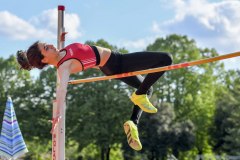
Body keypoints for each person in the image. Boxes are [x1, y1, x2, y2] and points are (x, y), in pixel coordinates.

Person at [16, 41, 172, 151]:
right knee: (166, 59)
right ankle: (138, 97)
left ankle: (132, 123)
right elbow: (62, 91)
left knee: (146, 89)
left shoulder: (61, 54)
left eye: (46, 43)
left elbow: (65, 51)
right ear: (44, 59)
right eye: (46, 47)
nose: (49, 44)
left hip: (111, 65)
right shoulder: (63, 67)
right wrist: (58, 115)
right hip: (118, 62)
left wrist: (61, 36)